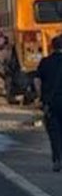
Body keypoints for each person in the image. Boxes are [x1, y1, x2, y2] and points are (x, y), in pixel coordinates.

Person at [37, 34, 62, 172]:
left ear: (52, 47)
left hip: (51, 103)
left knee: (54, 133)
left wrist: (41, 98)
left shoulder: (45, 62)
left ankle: (57, 159)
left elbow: (37, 81)